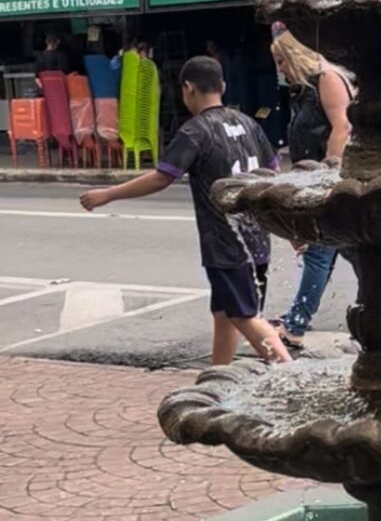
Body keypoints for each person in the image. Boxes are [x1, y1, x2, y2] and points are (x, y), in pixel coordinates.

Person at [78, 56, 290, 366]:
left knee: (244, 317)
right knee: (224, 312)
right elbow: (274, 174)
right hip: (256, 239)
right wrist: (286, 224)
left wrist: (108, 195)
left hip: (226, 243)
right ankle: (217, 377)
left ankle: (290, 375)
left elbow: (162, 177)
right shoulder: (248, 124)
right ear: (223, 86)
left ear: (187, 89)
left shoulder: (196, 131)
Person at [268, 23, 355, 350]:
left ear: (294, 55)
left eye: (280, 61)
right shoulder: (306, 87)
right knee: (343, 250)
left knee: (319, 251)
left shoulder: (327, 79)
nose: (279, 69)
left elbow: (342, 127)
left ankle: (294, 326)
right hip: (315, 177)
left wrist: (328, 174)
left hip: (331, 180)